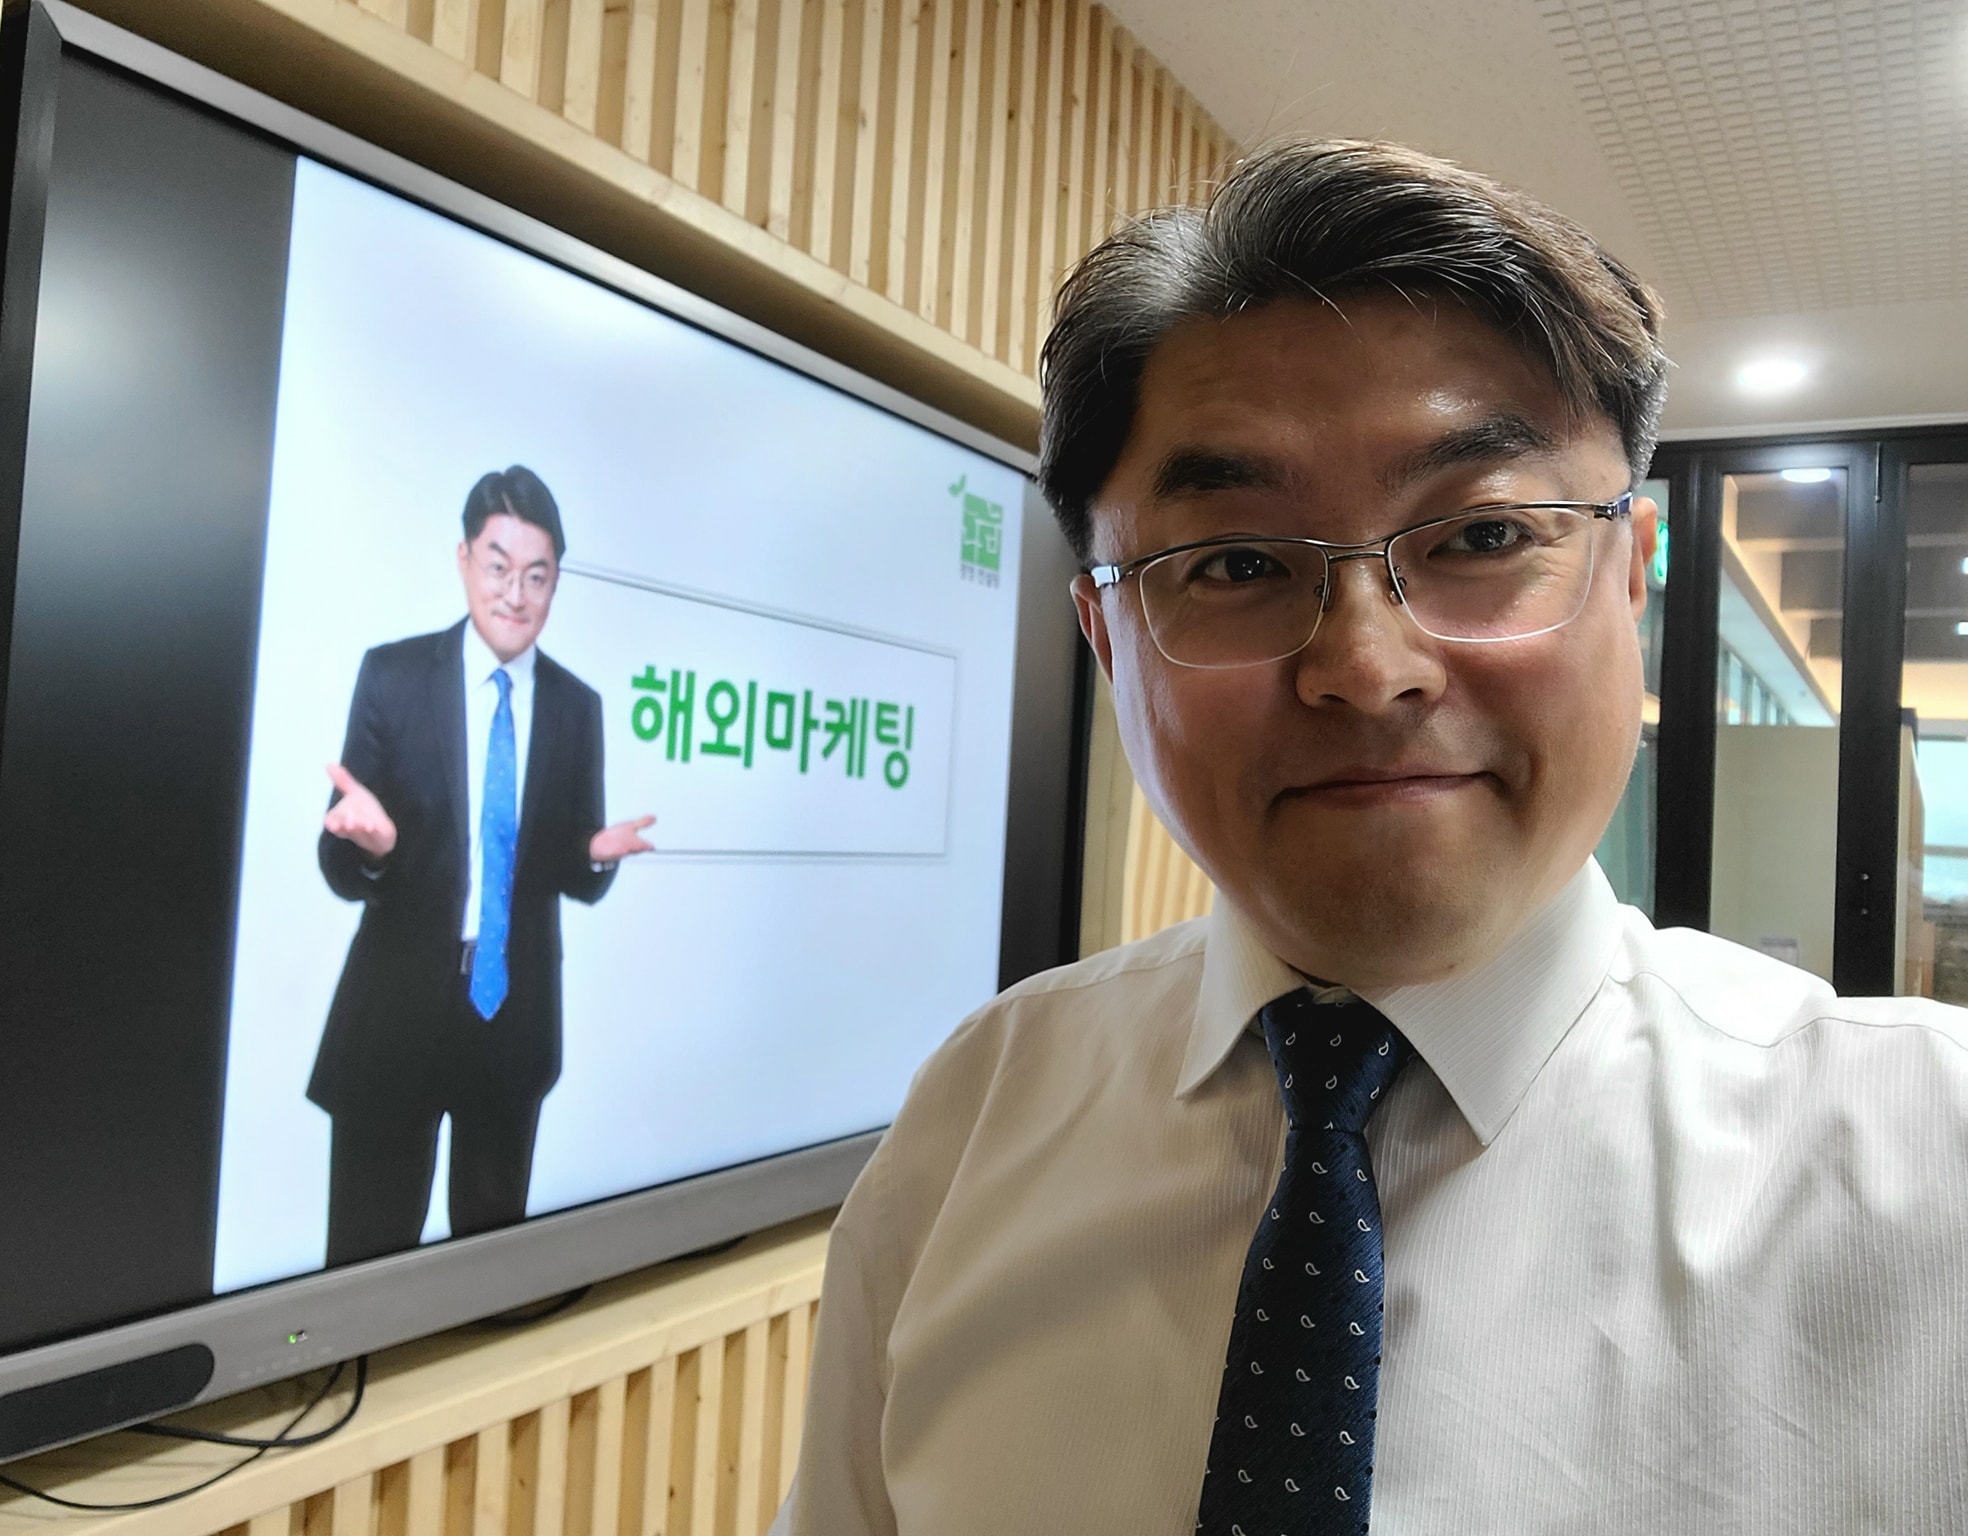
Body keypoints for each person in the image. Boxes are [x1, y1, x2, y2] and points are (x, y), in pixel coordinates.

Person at [778, 141, 1968, 1533]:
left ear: (1629, 575)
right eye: (1234, 563)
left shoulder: (1925, 1162)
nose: (1365, 668)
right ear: (1105, 634)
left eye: (1481, 539)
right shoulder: (976, 1122)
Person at [309, 465, 657, 1269]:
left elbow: (568, 871)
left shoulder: (576, 707)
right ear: (464, 559)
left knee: (488, 1279)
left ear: (556, 583)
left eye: (537, 575)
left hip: (511, 1024)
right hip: (396, 1018)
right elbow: (336, 859)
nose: (515, 593)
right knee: (362, 1273)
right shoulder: (394, 677)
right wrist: (372, 848)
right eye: (499, 566)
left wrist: (591, 857)